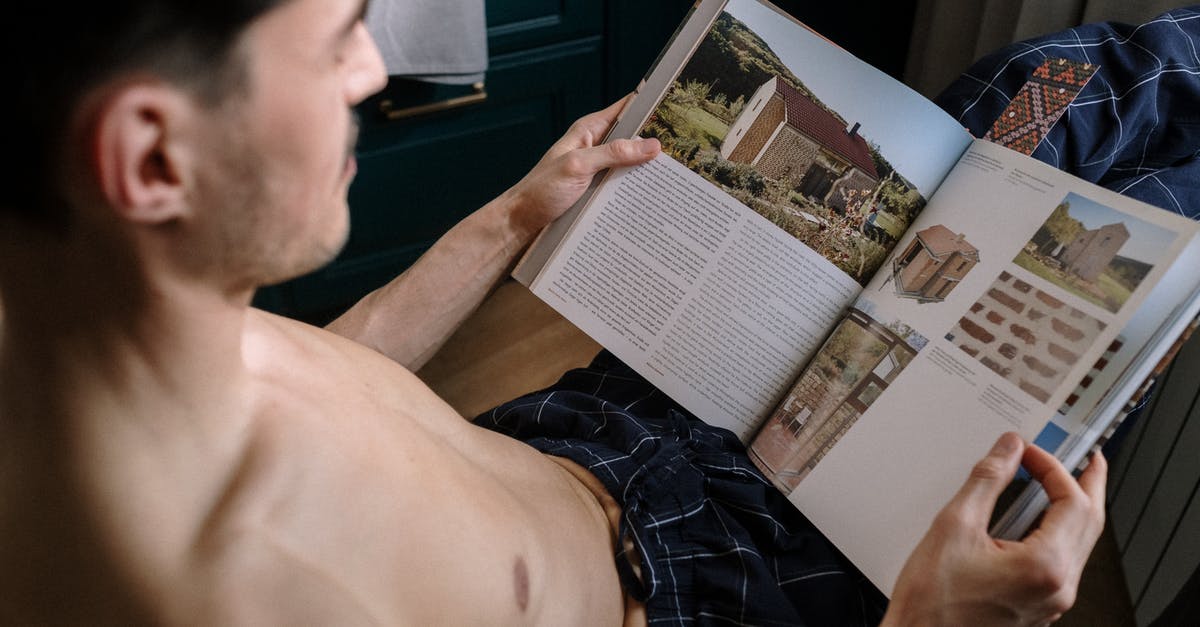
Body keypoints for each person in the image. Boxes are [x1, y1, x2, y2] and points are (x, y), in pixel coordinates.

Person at [0, 0, 1105, 624]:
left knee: (1051, 89)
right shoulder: (262, 600)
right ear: (151, 158)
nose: (368, 73)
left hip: (597, 446)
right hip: (710, 589)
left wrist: (516, 218)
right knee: (1114, 247)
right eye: (341, 34)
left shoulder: (103, 326)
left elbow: (350, 357)